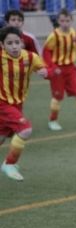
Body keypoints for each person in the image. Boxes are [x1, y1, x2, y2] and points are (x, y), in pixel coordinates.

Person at [0, 26, 49, 181]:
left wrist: (45, 72)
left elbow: (45, 68)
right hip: (2, 103)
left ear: (21, 42)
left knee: (1, 137)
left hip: (17, 104)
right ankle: (9, 163)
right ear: (2, 45)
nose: (14, 46)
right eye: (9, 43)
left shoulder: (30, 57)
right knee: (25, 129)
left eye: (17, 42)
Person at [42, 9, 76, 131]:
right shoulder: (54, 35)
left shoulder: (75, 34)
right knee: (58, 97)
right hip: (57, 71)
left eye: (67, 20)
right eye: (62, 20)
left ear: (71, 21)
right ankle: (53, 120)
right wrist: (52, 67)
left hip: (71, 69)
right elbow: (46, 53)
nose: (65, 23)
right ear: (58, 21)